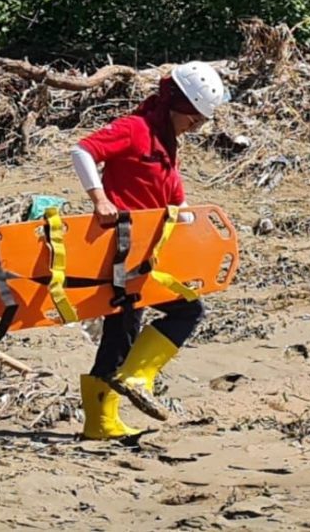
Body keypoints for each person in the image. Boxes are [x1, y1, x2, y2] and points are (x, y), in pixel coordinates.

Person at [69, 61, 229, 439]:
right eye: (195, 118)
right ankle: (136, 378)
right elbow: (82, 151)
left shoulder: (166, 142)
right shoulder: (136, 129)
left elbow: (173, 194)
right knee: (186, 309)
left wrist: (191, 224)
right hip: (120, 248)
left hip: (148, 251)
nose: (197, 126)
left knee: (123, 328)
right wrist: (100, 200)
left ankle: (100, 422)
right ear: (177, 105)